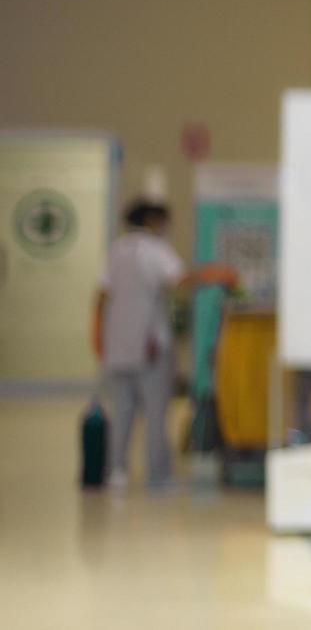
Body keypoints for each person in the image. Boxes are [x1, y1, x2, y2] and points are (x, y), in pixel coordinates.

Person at [93, 198, 233, 489]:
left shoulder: (117, 250)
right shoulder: (155, 250)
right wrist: (215, 274)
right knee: (156, 412)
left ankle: (116, 471)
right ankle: (158, 476)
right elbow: (178, 279)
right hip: (150, 345)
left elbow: (102, 294)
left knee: (121, 411)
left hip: (117, 344)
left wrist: (98, 334)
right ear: (154, 221)